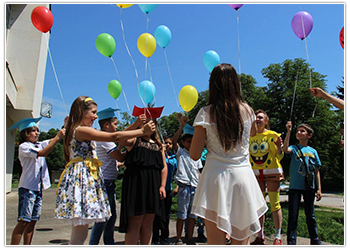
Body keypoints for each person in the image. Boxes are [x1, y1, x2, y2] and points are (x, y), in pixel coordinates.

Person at [54, 96, 156, 245]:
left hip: (86, 177)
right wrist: (141, 131)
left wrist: (135, 125)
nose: (96, 116)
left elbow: (115, 138)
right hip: (82, 178)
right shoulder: (81, 130)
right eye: (93, 112)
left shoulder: (80, 130)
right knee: (81, 229)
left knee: (81, 229)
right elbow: (114, 136)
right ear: (82, 112)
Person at [189, 63, 268, 245]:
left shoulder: (205, 113)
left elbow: (194, 154)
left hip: (215, 180)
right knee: (241, 241)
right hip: (242, 178)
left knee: (215, 243)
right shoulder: (248, 111)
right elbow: (253, 134)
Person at [9, 117, 66, 245]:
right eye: (33, 131)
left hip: (37, 188)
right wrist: (57, 137)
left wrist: (65, 125)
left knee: (33, 220)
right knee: (24, 220)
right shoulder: (24, 147)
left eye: (37, 131)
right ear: (26, 133)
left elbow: (53, 140)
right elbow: (43, 152)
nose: (37, 133)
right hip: (27, 188)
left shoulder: (38, 144)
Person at [118, 106, 167, 245]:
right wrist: (136, 125)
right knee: (135, 221)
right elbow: (120, 138)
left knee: (149, 221)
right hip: (136, 183)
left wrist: (162, 185)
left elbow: (163, 167)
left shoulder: (158, 145)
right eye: (147, 122)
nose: (150, 126)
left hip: (153, 184)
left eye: (153, 123)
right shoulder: (134, 140)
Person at [88, 107, 127, 245]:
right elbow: (119, 157)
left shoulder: (102, 139)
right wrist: (127, 148)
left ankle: (108, 242)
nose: (117, 127)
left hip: (108, 180)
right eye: (115, 124)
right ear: (106, 125)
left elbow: (115, 162)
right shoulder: (106, 139)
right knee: (104, 217)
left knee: (110, 216)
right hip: (106, 181)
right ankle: (96, 243)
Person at [283, 121, 323, 245]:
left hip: (309, 187)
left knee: (310, 215)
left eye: (302, 131)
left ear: (309, 135)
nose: (299, 133)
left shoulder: (313, 151)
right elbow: (285, 149)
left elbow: (316, 171)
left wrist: (319, 189)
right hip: (295, 186)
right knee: (293, 215)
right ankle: (291, 241)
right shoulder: (294, 148)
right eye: (298, 131)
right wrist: (288, 131)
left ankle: (314, 239)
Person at [249, 109, 284, 245]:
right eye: (256, 117)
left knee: (275, 204)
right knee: (259, 205)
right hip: (255, 175)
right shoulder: (249, 137)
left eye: (260, 118)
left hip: (272, 173)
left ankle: (278, 236)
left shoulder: (273, 135)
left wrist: (279, 147)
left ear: (266, 121)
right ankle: (259, 235)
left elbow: (279, 156)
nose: (257, 119)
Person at [172, 115, 203, 245]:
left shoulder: (196, 155)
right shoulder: (181, 152)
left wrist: (201, 186)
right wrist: (181, 126)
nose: (191, 144)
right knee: (182, 214)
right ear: (184, 143)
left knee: (192, 216)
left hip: (195, 187)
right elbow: (174, 141)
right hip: (184, 186)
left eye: (192, 141)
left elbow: (199, 172)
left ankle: (189, 237)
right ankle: (178, 238)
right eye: (188, 142)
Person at [152, 136, 177, 245]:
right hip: (158, 189)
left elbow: (176, 173)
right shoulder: (158, 155)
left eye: (170, 143)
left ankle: (164, 236)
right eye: (166, 143)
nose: (168, 145)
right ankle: (155, 237)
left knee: (166, 214)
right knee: (157, 214)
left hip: (169, 189)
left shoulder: (173, 159)